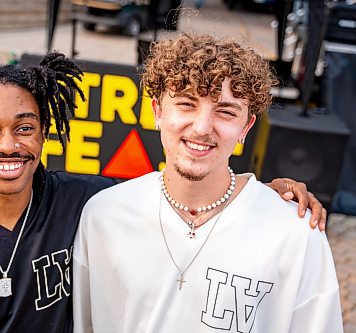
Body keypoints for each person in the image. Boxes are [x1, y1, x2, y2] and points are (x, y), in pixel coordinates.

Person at [0, 34, 325, 333]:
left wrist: (268, 195)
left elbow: (188, 188)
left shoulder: (84, 201)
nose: (7, 144)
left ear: (45, 133)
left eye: (25, 127)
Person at [73, 33, 343, 333]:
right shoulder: (103, 215)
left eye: (225, 111)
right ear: (157, 111)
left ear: (246, 127)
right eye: (187, 104)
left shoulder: (295, 233)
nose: (202, 128)